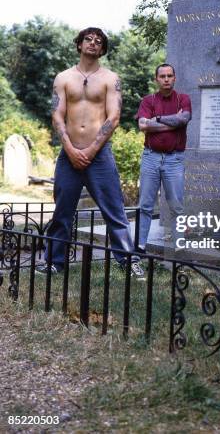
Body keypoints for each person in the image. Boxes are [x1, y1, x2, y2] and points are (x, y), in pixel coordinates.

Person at [36, 27, 145, 279]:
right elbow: (57, 115)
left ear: (103, 49)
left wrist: (91, 150)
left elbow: (114, 116)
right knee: (62, 210)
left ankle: (128, 261)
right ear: (79, 44)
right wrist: (71, 150)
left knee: (114, 211)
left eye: (99, 41)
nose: (93, 43)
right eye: (89, 39)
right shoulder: (63, 77)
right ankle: (55, 262)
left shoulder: (110, 78)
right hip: (68, 153)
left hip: (100, 155)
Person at [136, 63, 191, 251]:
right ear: (156, 79)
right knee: (145, 204)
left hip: (174, 159)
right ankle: (140, 246)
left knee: (176, 205)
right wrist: (172, 123)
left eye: (169, 76)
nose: (166, 79)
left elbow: (183, 119)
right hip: (150, 157)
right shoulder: (148, 100)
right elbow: (143, 125)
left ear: (174, 78)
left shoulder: (183, 99)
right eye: (162, 76)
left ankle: (179, 247)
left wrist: (157, 119)